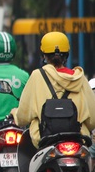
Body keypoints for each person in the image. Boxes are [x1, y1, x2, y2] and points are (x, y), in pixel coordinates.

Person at [13, 32, 95, 163]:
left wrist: (15, 114)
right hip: (78, 141)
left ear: (44, 55)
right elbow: (92, 120)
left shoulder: (37, 76)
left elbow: (23, 117)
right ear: (66, 55)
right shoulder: (80, 79)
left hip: (45, 141)